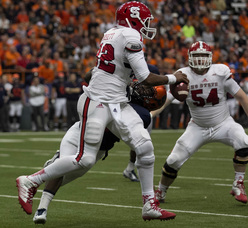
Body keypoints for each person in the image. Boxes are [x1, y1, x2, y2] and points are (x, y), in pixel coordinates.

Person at [16, 1, 188, 221]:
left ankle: (149, 205)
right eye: (144, 21)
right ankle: (30, 180)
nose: (147, 25)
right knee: (84, 159)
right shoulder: (131, 36)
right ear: (133, 18)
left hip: (117, 102)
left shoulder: (112, 32)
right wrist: (175, 78)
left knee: (144, 146)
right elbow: (146, 77)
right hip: (97, 100)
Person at [33, 82, 153, 224]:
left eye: (148, 91)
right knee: (62, 170)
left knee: (67, 175)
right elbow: (90, 79)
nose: (141, 90)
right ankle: (41, 207)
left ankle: (49, 169)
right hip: (79, 134)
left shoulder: (141, 115)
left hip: (99, 149)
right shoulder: (112, 92)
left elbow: (136, 144)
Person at [154, 41, 248, 205]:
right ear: (189, 57)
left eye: (203, 56)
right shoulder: (183, 75)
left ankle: (238, 183)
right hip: (198, 126)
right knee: (174, 160)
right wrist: (149, 114)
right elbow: (167, 100)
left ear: (210, 57)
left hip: (224, 123)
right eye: (196, 56)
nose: (200, 60)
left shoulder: (220, 72)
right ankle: (161, 191)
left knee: (244, 141)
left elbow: (241, 96)